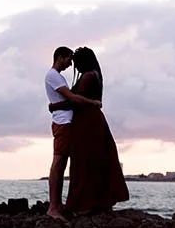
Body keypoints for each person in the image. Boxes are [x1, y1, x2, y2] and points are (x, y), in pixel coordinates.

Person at [49, 46, 129, 214]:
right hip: (92, 120)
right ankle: (98, 202)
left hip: (87, 122)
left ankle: (84, 204)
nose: (74, 66)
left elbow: (75, 100)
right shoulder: (94, 75)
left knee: (85, 162)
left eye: (76, 62)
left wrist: (53, 105)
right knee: (95, 160)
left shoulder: (88, 76)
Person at [44, 46, 101, 221]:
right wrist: (93, 103)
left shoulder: (58, 77)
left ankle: (57, 204)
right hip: (63, 123)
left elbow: (66, 101)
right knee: (59, 162)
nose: (71, 64)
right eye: (69, 59)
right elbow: (72, 98)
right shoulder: (53, 76)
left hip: (66, 122)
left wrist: (53, 106)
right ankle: (53, 207)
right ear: (60, 57)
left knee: (62, 163)